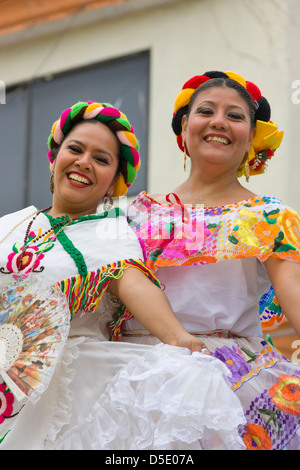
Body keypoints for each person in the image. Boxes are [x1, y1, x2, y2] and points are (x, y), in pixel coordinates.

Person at [0, 100, 218, 450]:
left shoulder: (112, 235)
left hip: (69, 394)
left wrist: (177, 337)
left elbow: (135, 284)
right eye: (75, 149)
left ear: (114, 181)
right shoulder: (9, 227)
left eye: (101, 159)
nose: (84, 162)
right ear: (54, 157)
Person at [123, 71, 300, 450]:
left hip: (226, 380)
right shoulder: (133, 214)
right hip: (132, 372)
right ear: (185, 126)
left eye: (235, 116)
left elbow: (296, 294)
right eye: (206, 111)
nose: (219, 121)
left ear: (252, 137)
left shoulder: (270, 217)